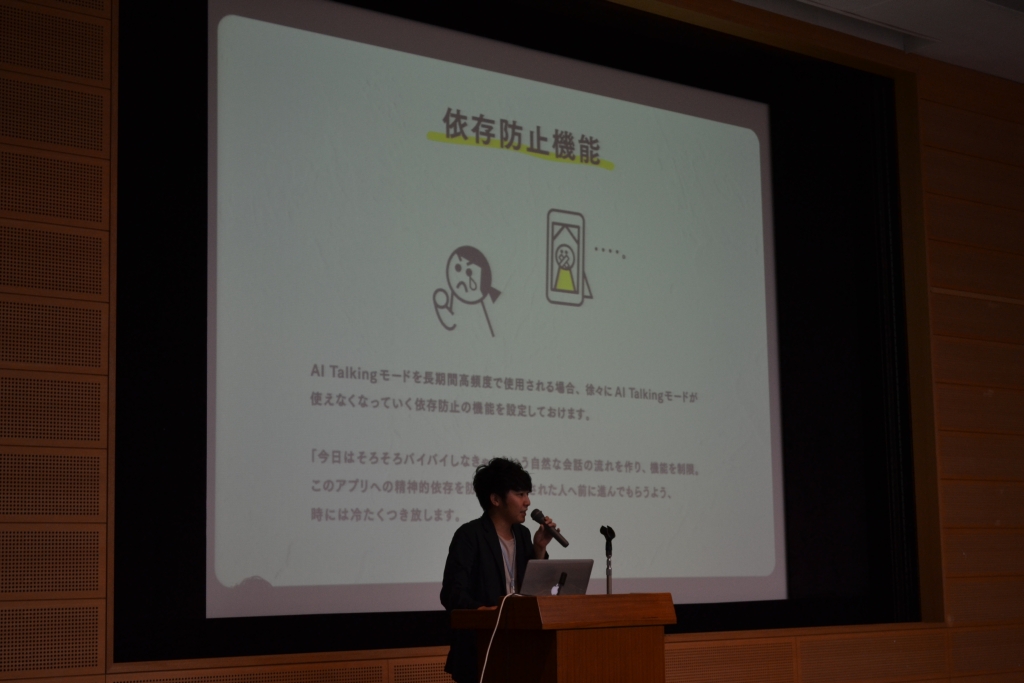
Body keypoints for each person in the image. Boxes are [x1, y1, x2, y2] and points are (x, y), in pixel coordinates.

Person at [440, 457, 559, 683]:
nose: (528, 502)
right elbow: (452, 594)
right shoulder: (470, 535)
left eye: (527, 494)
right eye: (520, 494)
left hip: (522, 648)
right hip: (480, 651)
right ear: (495, 499)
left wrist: (540, 549)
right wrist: (483, 611)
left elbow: (536, 592)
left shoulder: (524, 536)